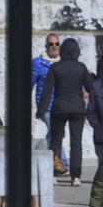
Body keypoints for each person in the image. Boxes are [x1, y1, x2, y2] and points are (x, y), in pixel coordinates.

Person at [37, 37, 91, 185]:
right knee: (76, 142)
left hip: (59, 108)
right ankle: (76, 176)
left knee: (55, 141)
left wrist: (41, 110)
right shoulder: (81, 67)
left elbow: (47, 91)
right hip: (77, 109)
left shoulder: (55, 67)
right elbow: (90, 87)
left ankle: (54, 173)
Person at [33, 32, 68, 175]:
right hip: (46, 106)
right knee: (55, 133)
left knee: (54, 134)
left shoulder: (64, 62)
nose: (54, 47)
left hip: (61, 105)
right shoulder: (38, 63)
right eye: (51, 44)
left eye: (57, 44)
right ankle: (62, 162)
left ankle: (50, 161)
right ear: (46, 46)